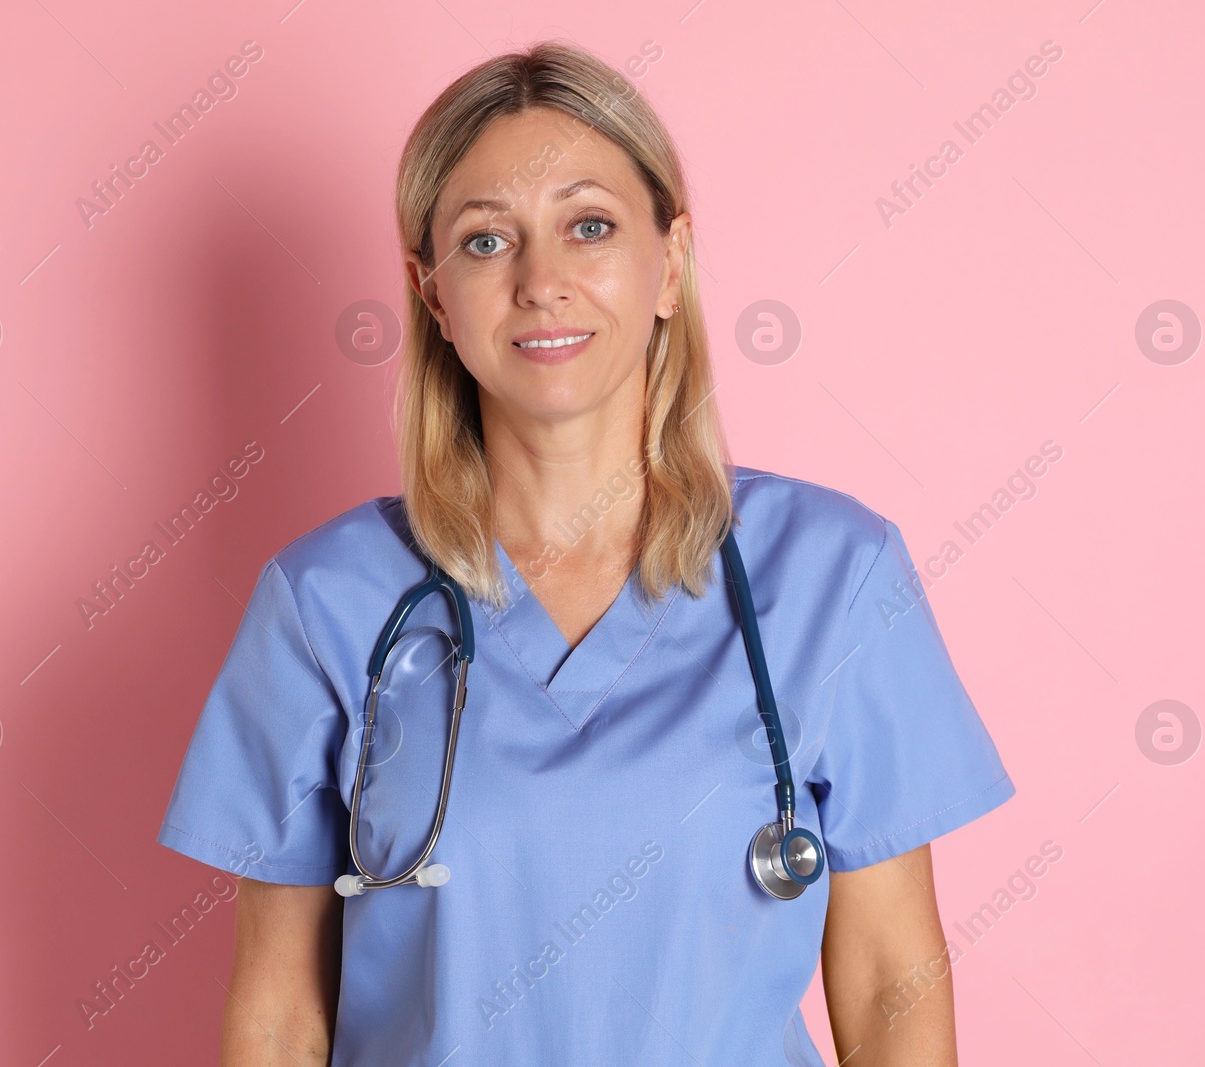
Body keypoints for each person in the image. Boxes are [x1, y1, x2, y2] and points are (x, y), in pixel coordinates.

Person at [155, 40, 1014, 1066]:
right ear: (431, 293)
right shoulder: (326, 602)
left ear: (671, 261)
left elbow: (888, 989)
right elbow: (279, 1017)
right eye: (485, 241)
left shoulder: (834, 576)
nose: (541, 281)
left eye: (589, 226)